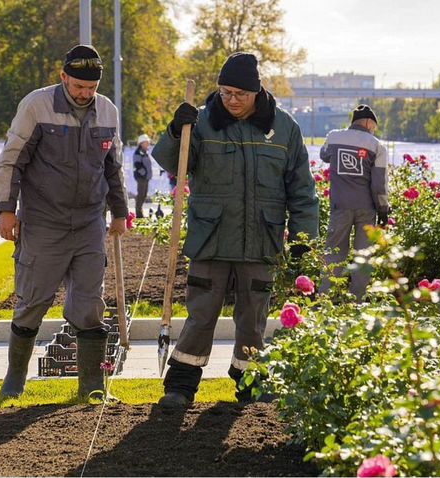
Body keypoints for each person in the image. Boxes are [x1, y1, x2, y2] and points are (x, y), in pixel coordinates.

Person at [151, 52, 319, 411]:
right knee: (201, 315)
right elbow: (172, 163)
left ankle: (251, 385)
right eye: (225, 92)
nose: (231, 100)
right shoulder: (200, 122)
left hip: (261, 239)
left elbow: (302, 191)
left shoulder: (285, 128)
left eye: (239, 94)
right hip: (210, 238)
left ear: (256, 91)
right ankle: (180, 386)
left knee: (253, 319)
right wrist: (174, 131)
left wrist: (305, 242)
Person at [0, 44, 128, 399]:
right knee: (33, 302)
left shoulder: (107, 111)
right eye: (78, 86)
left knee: (89, 305)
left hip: (88, 223)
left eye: (91, 88)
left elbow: (114, 167)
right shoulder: (37, 106)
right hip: (43, 222)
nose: (85, 94)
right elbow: (12, 160)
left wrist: (119, 212)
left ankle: (92, 387)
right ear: (63, 77)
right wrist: (6, 209)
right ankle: (14, 380)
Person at [317, 104, 389, 301]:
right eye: (374, 125)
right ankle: (356, 300)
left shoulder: (333, 136)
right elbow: (379, 183)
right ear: (367, 122)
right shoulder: (377, 146)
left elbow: (323, 155)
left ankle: (325, 300)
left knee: (333, 253)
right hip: (366, 209)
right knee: (363, 256)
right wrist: (383, 209)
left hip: (340, 206)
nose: (374, 129)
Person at [133, 133, 153, 218]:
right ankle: (138, 213)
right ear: (141, 143)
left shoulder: (145, 152)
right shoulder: (138, 152)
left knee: (144, 195)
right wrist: (144, 173)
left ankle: (140, 212)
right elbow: (137, 165)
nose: (148, 144)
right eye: (146, 142)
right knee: (141, 194)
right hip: (141, 178)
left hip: (145, 177)